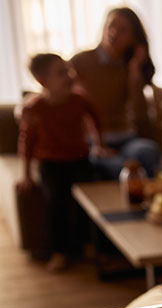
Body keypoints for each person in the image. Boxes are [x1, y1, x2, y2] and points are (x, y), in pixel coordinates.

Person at [17, 53, 106, 271]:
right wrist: (26, 174)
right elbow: (26, 144)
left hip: (79, 159)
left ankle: (87, 245)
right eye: (61, 73)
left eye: (68, 70)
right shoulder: (35, 108)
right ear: (42, 81)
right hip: (51, 163)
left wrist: (98, 144)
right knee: (55, 203)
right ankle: (59, 251)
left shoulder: (79, 100)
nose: (69, 76)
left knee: (86, 201)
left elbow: (96, 119)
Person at [70, 6, 161, 179]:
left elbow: (141, 116)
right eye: (111, 25)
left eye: (123, 30)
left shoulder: (129, 67)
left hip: (126, 139)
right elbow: (55, 90)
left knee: (149, 151)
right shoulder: (80, 62)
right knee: (121, 168)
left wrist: (135, 72)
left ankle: (147, 202)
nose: (114, 33)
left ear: (133, 39)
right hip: (94, 141)